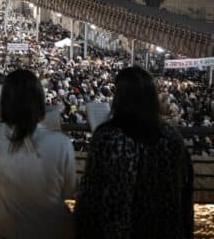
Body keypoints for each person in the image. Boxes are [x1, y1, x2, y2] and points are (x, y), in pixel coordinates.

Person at [74, 66, 194, 239]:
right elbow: (185, 193)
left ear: (120, 97)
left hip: (118, 231)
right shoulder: (172, 137)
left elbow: (91, 195)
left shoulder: (107, 136)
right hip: (164, 230)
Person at [0, 69, 76, 239]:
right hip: (55, 230)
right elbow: (69, 190)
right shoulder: (61, 143)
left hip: (10, 230)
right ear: (40, 103)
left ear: (5, 104)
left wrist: (6, 93)